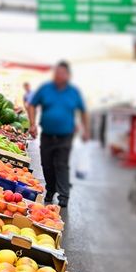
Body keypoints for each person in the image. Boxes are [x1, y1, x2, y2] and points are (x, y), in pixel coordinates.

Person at [27, 61, 89, 207]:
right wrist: (32, 124)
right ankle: (51, 189)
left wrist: (86, 130)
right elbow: (32, 105)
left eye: (61, 73)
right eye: (56, 72)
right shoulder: (45, 89)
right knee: (47, 164)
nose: (58, 75)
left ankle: (64, 195)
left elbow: (83, 111)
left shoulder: (74, 92)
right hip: (47, 135)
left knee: (61, 164)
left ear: (68, 75)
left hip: (65, 136)